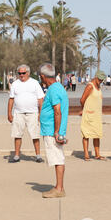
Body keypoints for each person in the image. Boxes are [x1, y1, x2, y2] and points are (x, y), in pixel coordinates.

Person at [38, 63, 69, 198]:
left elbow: (57, 112)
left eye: (41, 77)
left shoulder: (54, 89)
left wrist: (56, 132)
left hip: (52, 131)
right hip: (51, 130)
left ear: (43, 76)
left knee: (57, 158)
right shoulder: (56, 87)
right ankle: (58, 186)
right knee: (57, 158)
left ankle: (59, 189)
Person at [7, 65, 45, 163]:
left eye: (23, 73)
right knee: (17, 135)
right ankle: (16, 155)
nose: (21, 75)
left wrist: (40, 113)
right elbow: (11, 99)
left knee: (35, 135)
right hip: (18, 113)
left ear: (28, 73)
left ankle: (38, 155)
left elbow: (40, 99)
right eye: (19, 73)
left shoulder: (35, 83)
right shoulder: (15, 84)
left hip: (33, 113)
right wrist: (9, 113)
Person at [80, 71, 106, 161]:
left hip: (97, 115)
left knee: (97, 134)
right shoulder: (90, 86)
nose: (100, 81)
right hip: (89, 114)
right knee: (86, 134)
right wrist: (84, 109)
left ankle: (97, 154)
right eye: (99, 79)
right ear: (95, 77)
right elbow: (82, 100)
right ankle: (86, 155)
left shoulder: (99, 87)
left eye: (102, 80)